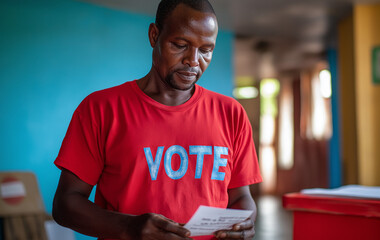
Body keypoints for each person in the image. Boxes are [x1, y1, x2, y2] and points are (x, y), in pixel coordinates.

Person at [52, 0, 262, 239]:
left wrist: (244, 223)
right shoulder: (101, 109)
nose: (193, 60)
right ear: (154, 36)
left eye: (206, 50)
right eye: (180, 45)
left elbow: (241, 197)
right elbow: (65, 205)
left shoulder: (231, 113)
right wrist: (127, 227)